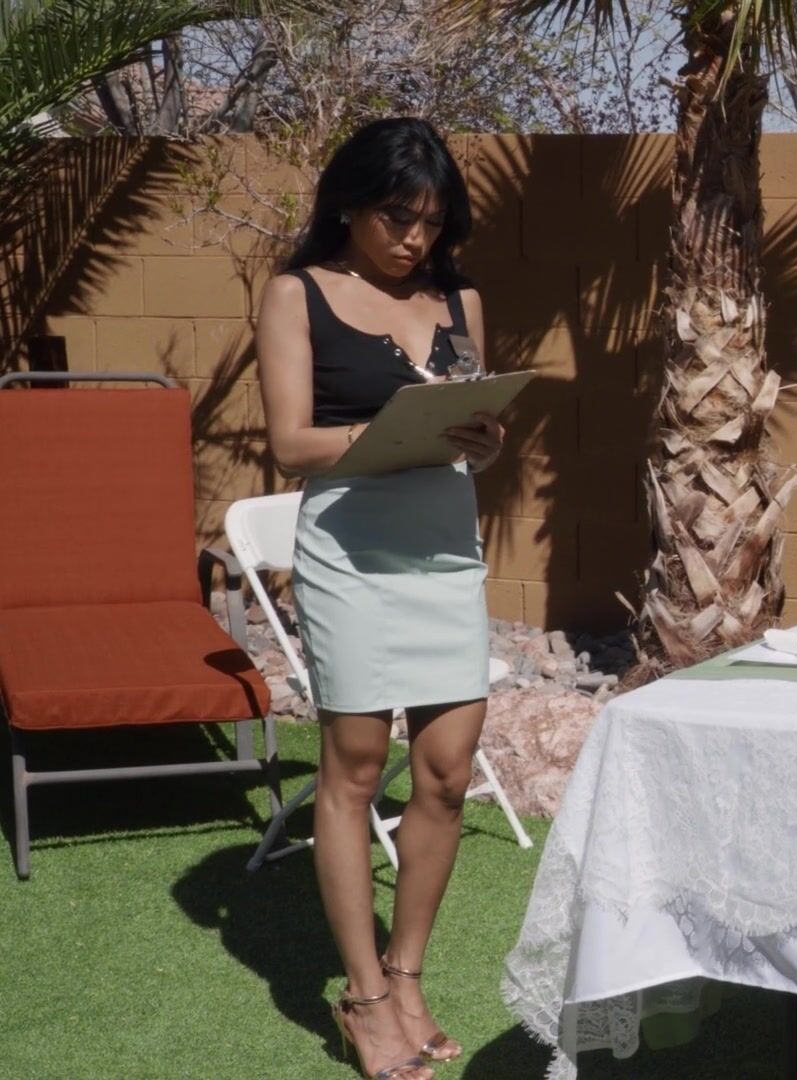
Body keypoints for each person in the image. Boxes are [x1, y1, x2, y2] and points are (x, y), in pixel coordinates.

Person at [257, 117, 505, 1080]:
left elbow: (476, 424)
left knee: (444, 771)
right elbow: (290, 442)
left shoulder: (460, 298)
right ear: (350, 205)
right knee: (356, 767)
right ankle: (361, 998)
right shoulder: (298, 293)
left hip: (444, 547)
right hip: (352, 551)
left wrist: (483, 439)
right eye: (398, 217)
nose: (415, 238)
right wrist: (388, 431)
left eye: (432, 221)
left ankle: (406, 977)